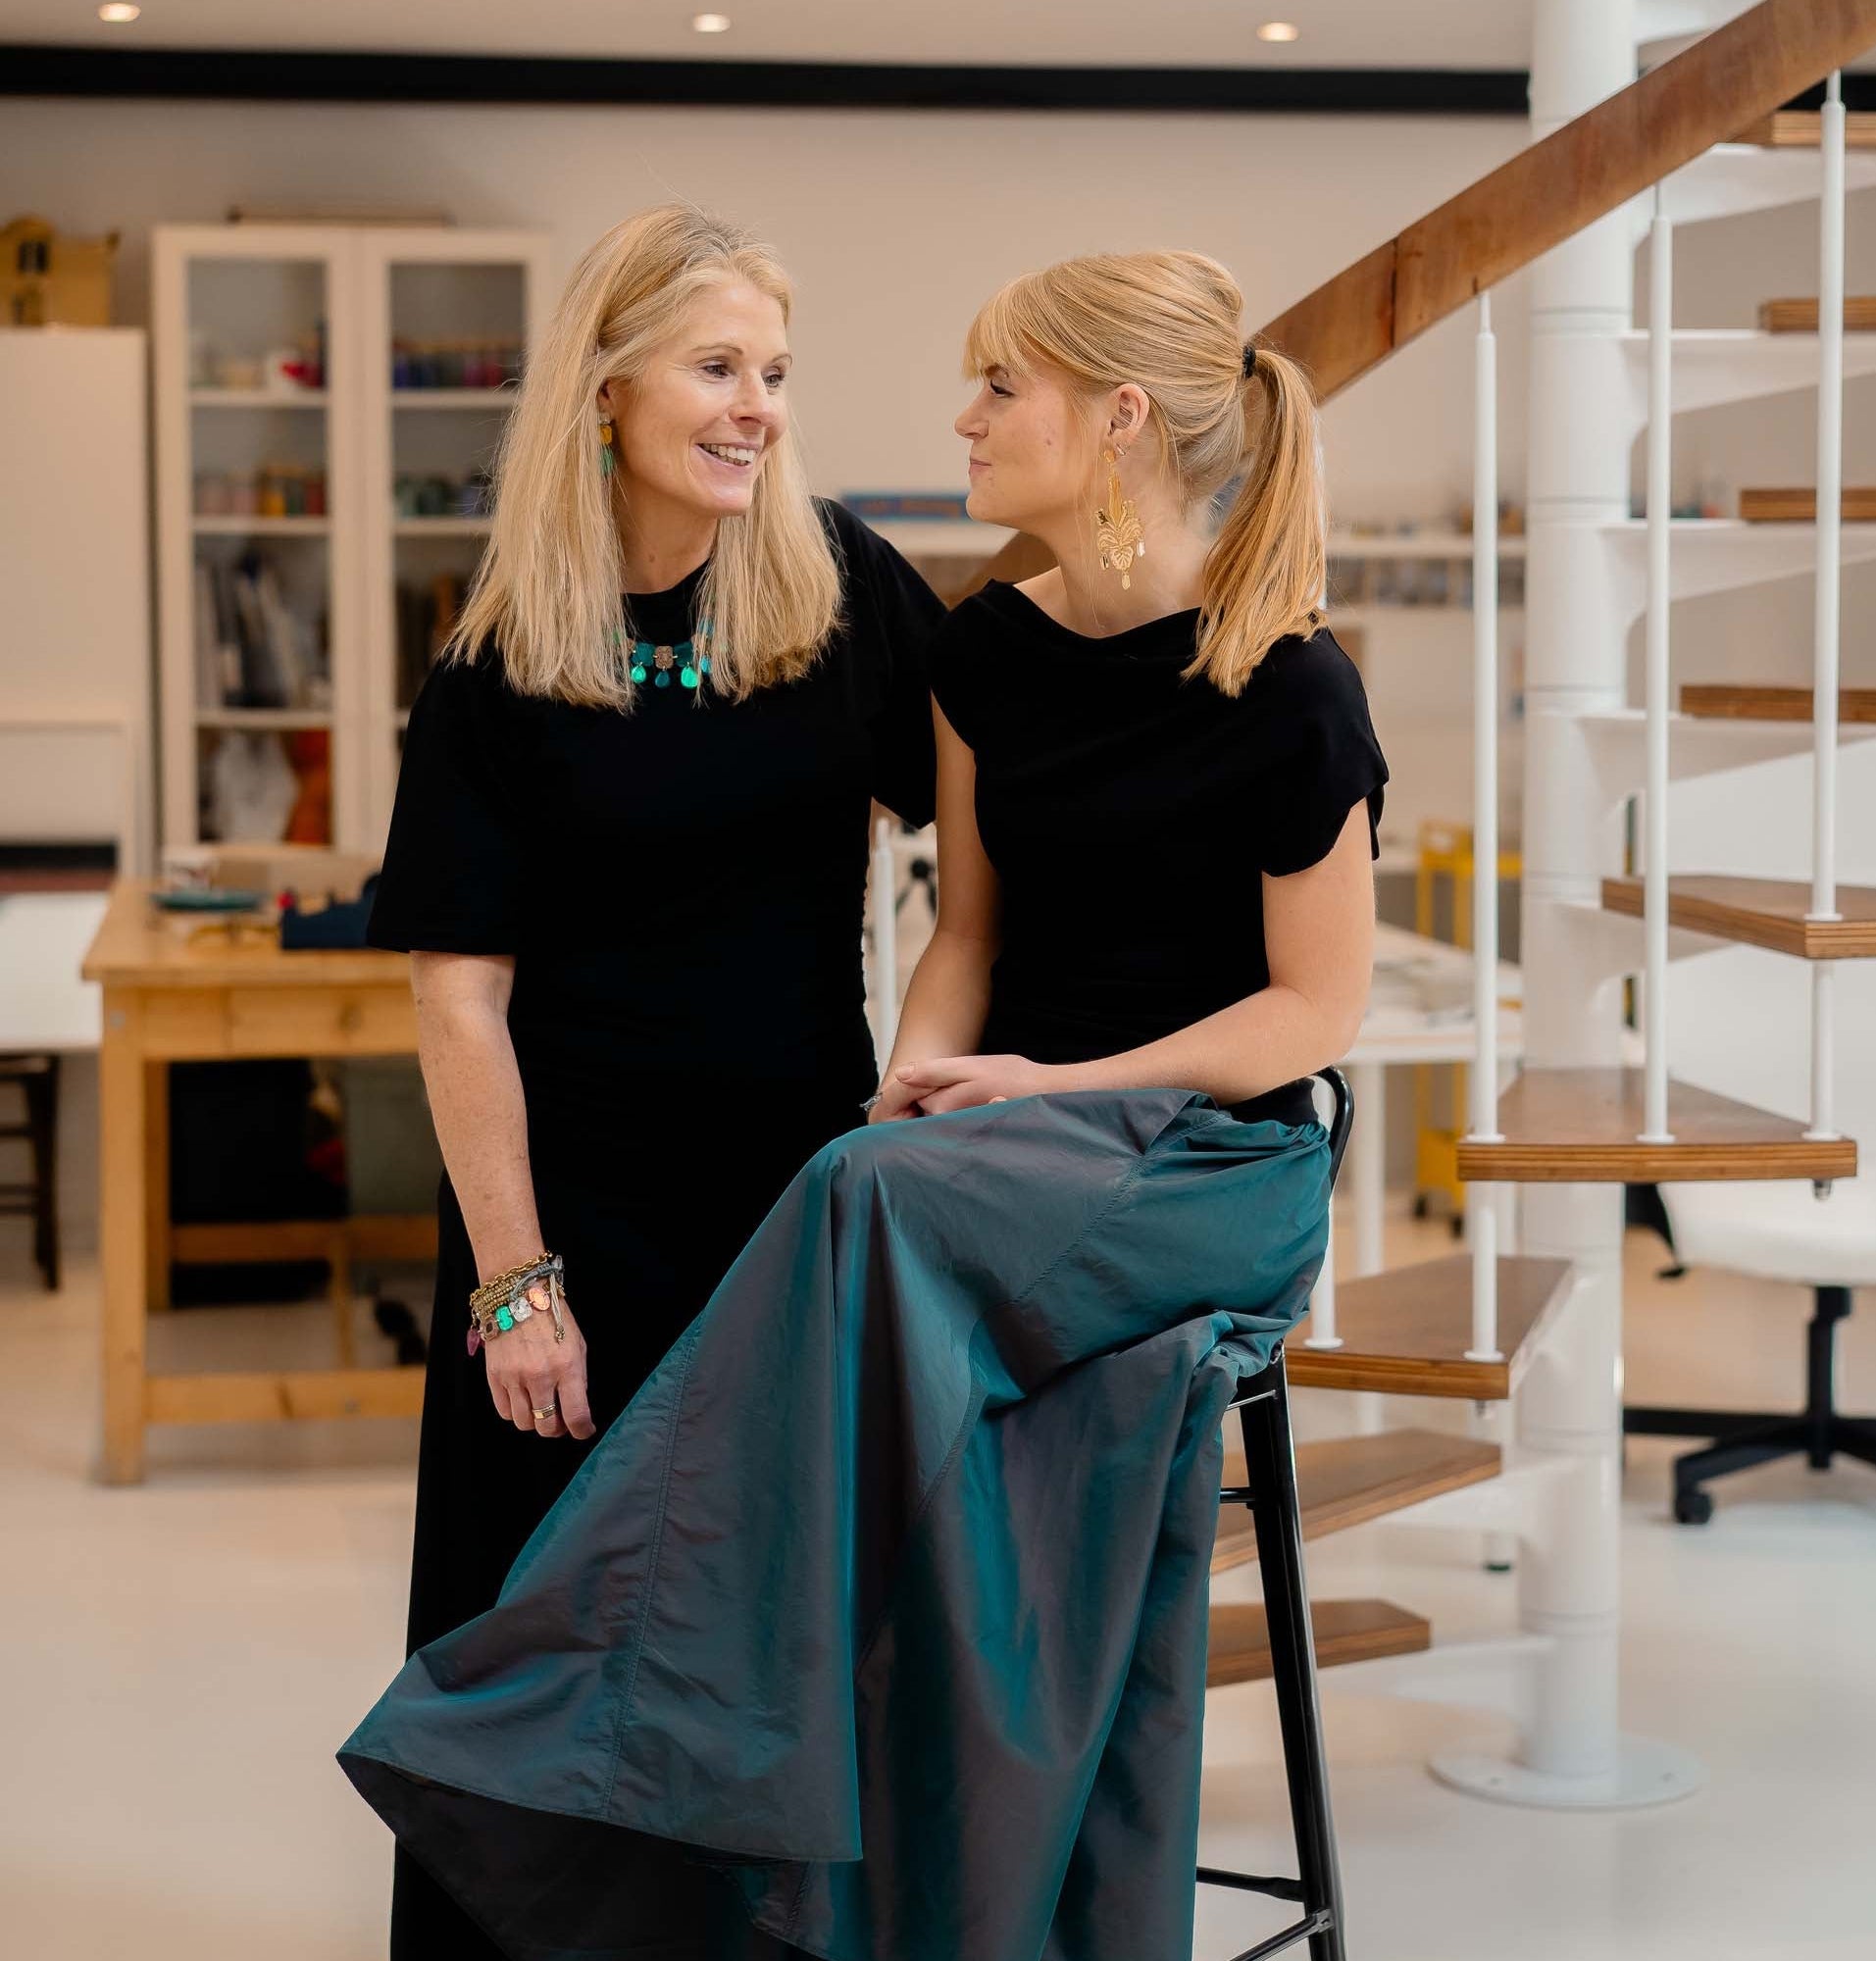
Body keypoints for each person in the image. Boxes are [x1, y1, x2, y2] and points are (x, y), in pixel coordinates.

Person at [366, 202, 940, 1959]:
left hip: (787, 1209)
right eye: (717, 366)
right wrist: (515, 1283)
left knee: (760, 1641)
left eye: (774, 369)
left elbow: (994, 851)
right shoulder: (497, 664)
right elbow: (458, 1001)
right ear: (609, 386)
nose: (755, 403)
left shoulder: (841, 590)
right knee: (538, 1633)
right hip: (569, 1238)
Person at [872, 247, 1384, 1127]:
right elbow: (965, 937)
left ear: (1122, 416)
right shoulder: (977, 652)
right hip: (1014, 1130)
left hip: (1209, 1151)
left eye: (999, 388)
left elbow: (1318, 1010)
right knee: (848, 1187)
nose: (967, 420)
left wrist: (1056, 1087)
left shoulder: (1296, 687)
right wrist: (907, 1094)